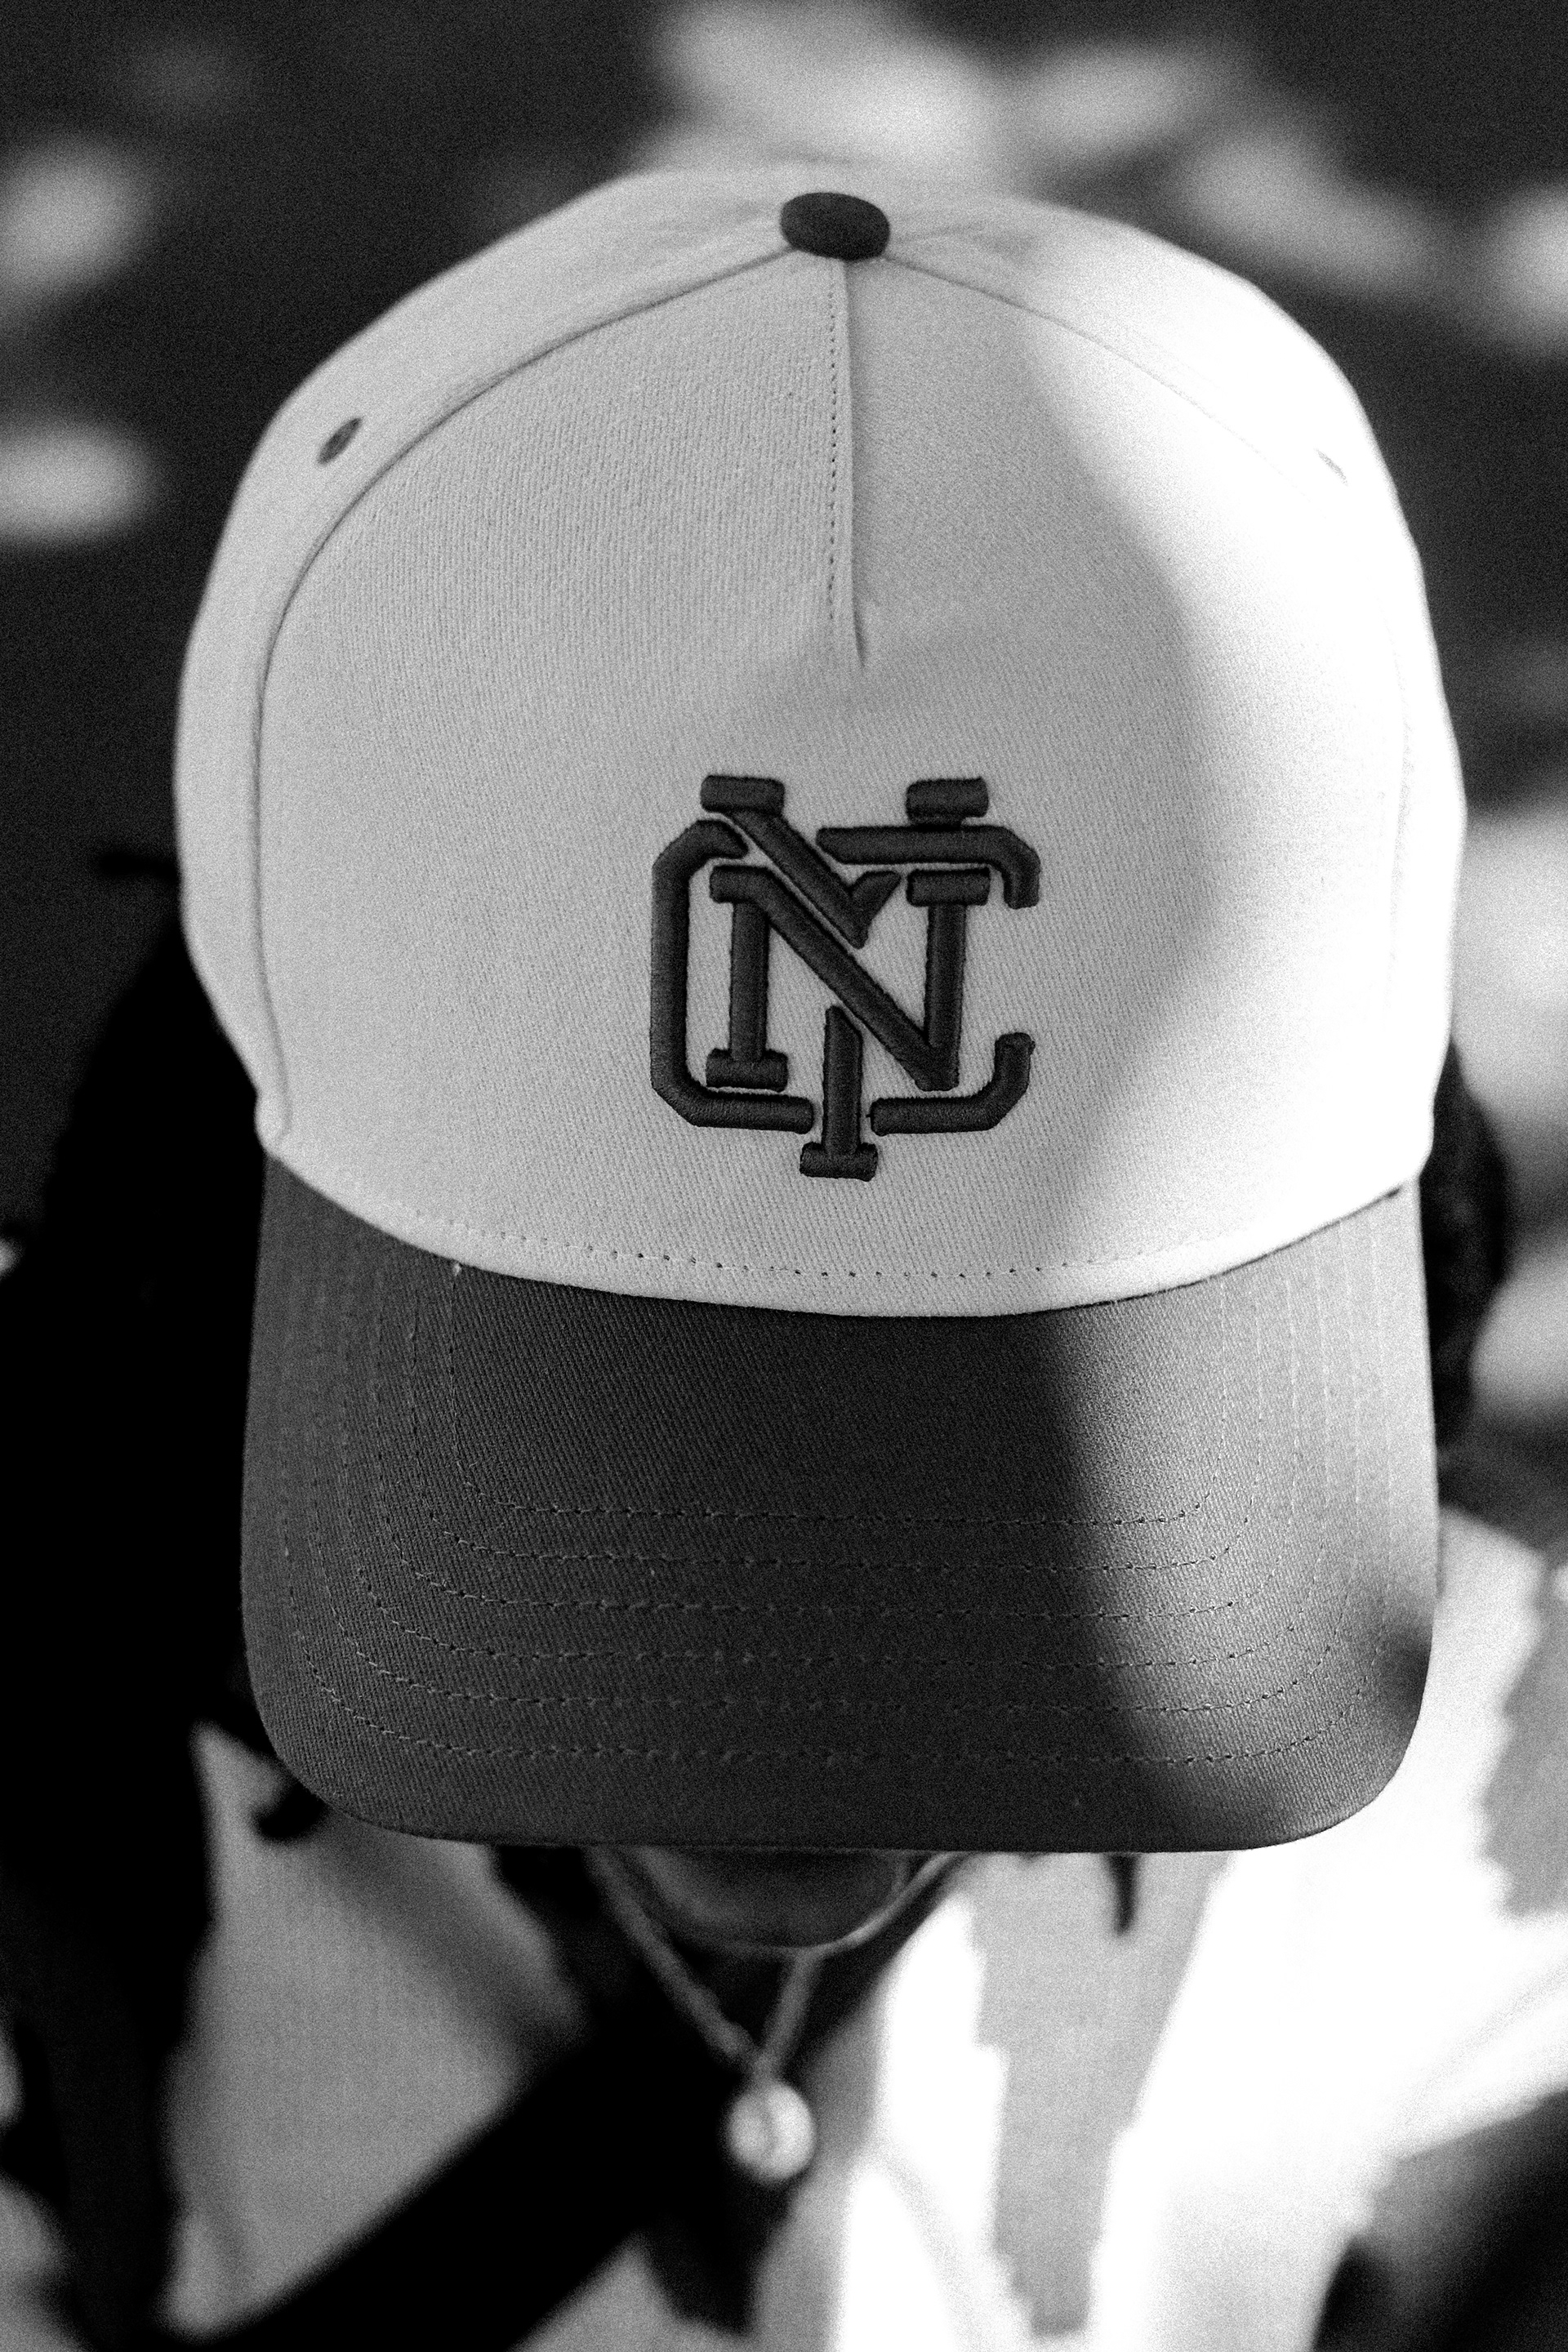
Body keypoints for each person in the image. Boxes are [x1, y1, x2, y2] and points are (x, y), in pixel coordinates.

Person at [0, 164, 1562, 2352]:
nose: (807, 1798)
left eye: (1000, 1500)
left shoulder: (1517, 1822)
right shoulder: (50, 1750)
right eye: (618, 1455)